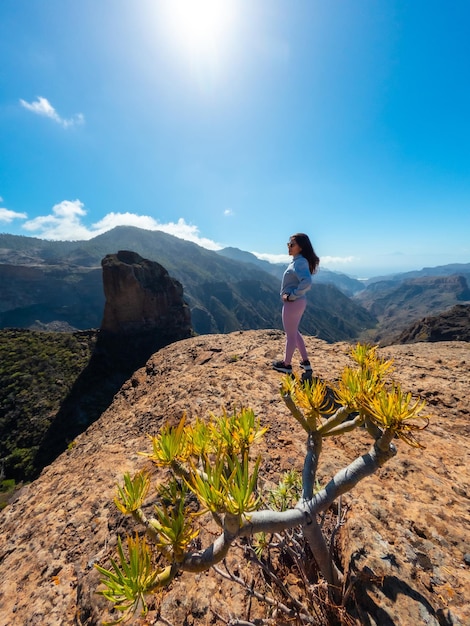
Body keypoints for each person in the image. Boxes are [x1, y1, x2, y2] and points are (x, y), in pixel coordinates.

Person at [272, 233, 320, 374]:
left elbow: (307, 282)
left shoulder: (299, 262)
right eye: (288, 244)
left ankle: (286, 365)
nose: (289, 247)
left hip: (293, 303)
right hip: (298, 303)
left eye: (292, 244)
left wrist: (292, 295)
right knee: (294, 332)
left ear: (301, 247)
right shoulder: (299, 261)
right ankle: (306, 362)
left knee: (290, 335)